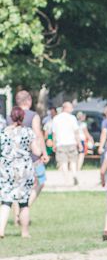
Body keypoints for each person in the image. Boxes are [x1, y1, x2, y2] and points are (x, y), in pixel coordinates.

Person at [0, 107, 42, 238]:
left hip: (6, 168)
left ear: (11, 117)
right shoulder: (28, 132)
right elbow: (36, 152)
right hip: (24, 169)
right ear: (23, 117)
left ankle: (1, 231)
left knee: (6, 201)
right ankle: (25, 233)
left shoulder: (3, 133)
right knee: (23, 203)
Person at [6, 91, 50, 212]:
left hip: (14, 157)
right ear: (29, 100)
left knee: (16, 187)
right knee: (41, 182)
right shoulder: (33, 116)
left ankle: (16, 217)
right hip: (32, 157)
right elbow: (38, 134)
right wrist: (44, 153)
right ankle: (25, 208)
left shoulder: (10, 116)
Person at [50, 102, 81, 186]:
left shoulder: (56, 118)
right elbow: (76, 132)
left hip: (60, 143)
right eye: (70, 108)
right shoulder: (72, 118)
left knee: (63, 162)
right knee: (73, 161)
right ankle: (74, 175)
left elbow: (54, 133)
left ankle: (66, 179)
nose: (72, 109)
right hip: (72, 142)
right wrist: (79, 143)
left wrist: (54, 144)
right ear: (65, 108)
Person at [74, 110, 94, 177]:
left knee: (76, 154)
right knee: (81, 154)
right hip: (81, 140)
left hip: (75, 140)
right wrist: (91, 139)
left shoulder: (75, 123)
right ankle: (78, 168)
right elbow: (86, 133)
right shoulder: (83, 124)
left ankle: (74, 168)